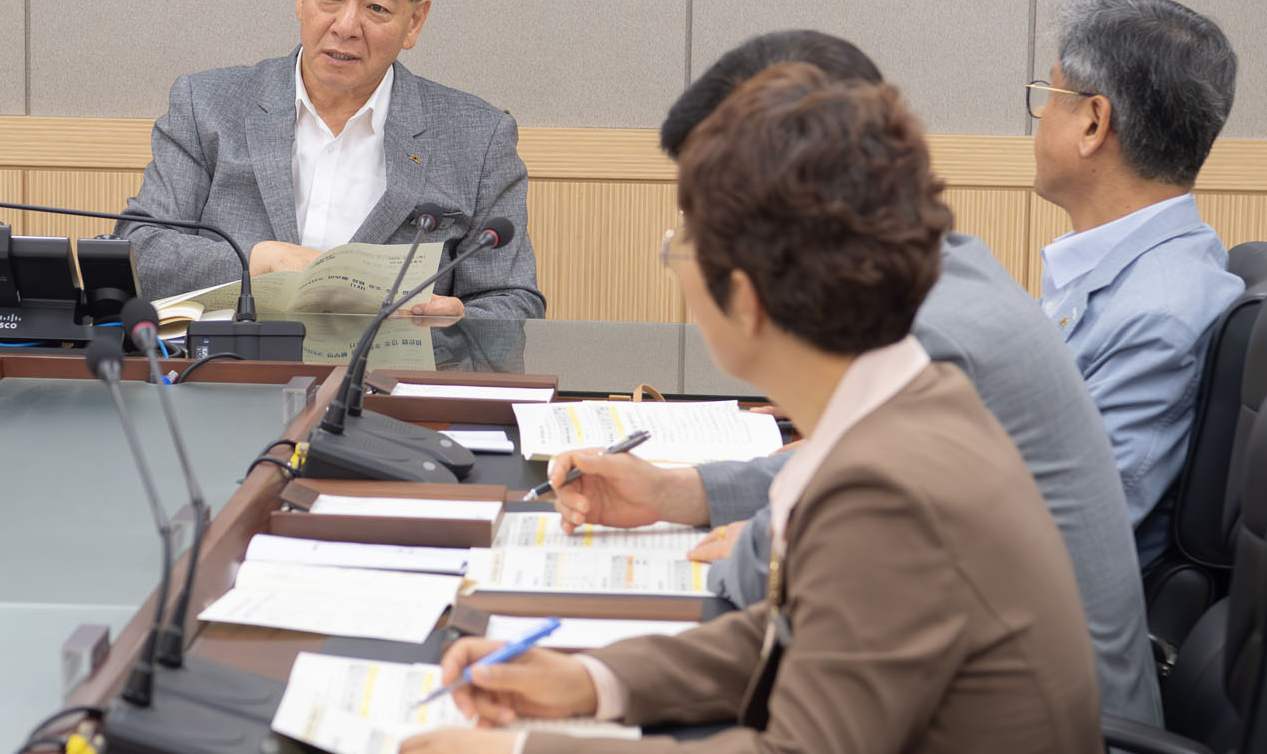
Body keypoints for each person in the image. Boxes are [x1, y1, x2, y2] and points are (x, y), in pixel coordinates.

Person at [405, 64, 1101, 753]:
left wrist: (523, 752)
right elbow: (789, 634)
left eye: (683, 243)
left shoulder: (887, 487)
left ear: (746, 297)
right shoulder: (903, 397)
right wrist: (593, 680)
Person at [547, 30, 1160, 724]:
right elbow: (788, 626)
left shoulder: (925, 368)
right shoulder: (922, 323)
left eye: (696, 228)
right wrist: (597, 679)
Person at [117, 0, 545, 319]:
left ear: (414, 21)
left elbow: (514, 302)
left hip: (389, 368)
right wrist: (261, 262)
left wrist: (461, 322)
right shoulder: (208, 106)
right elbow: (139, 251)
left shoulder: (478, 139)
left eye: (376, 8)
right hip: (234, 365)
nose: (346, 26)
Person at [1030, 0, 1242, 567]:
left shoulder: (1161, 316)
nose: (1040, 116)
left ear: (1093, 122)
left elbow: (1065, 533)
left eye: (1048, 95)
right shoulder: (1130, 272)